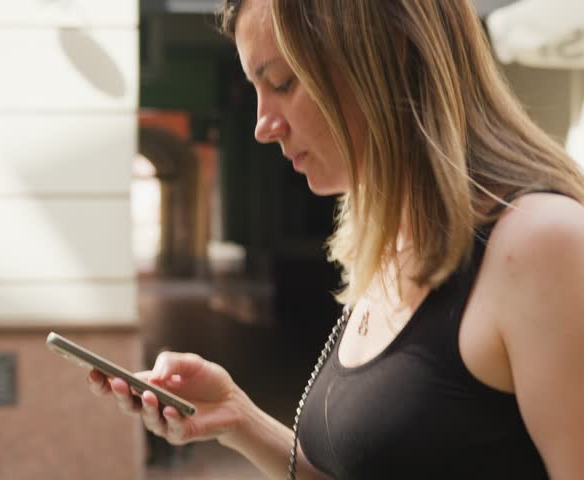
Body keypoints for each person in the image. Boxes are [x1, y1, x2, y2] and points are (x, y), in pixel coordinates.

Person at [88, 0, 584, 478]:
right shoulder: (389, 240)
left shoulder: (544, 245)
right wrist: (237, 417)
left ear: (390, 52)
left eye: (282, 82)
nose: (263, 125)